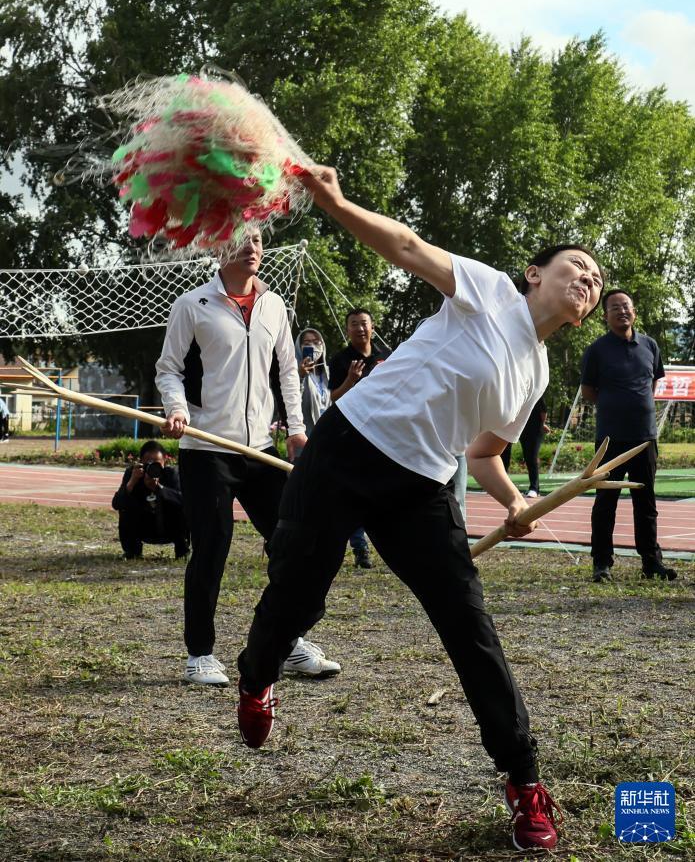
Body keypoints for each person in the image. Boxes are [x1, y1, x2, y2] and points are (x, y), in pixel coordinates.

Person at [235, 166, 605, 852]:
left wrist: (516, 501)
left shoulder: (537, 373)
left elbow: (485, 452)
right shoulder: (488, 290)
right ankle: (256, 676)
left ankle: (522, 781)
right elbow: (405, 246)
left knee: (470, 629)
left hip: (421, 488)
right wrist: (336, 201)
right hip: (347, 448)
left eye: (593, 277)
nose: (586, 278)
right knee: (295, 596)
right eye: (574, 265)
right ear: (533, 273)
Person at [156, 228, 341, 686]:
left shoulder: (275, 306)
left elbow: (288, 374)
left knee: (293, 544)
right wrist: (177, 410)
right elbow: (169, 370)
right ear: (221, 248)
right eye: (242, 240)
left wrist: (296, 430)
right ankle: (200, 654)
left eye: (258, 240)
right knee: (212, 549)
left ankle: (290, 643)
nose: (253, 248)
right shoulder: (192, 306)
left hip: (259, 449)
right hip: (204, 450)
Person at [581, 289, 677, 583]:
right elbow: (589, 392)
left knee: (645, 502)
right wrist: (616, 408)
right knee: (605, 502)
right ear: (605, 316)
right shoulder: (596, 350)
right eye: (615, 308)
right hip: (610, 439)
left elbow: (653, 383)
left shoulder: (650, 345)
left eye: (626, 306)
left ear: (634, 311)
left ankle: (651, 563)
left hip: (645, 438)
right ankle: (602, 564)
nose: (622, 311)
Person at [328, 309, 392, 568]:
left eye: (364, 323)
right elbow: (334, 398)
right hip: (353, 432)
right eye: (354, 325)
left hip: (385, 433)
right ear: (347, 330)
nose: (360, 328)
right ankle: (360, 548)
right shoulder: (341, 360)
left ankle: (391, 547)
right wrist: (351, 380)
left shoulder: (386, 356)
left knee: (383, 492)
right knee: (353, 492)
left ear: (372, 327)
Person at [111, 440, 189, 559]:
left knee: (183, 509)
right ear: (141, 462)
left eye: (157, 464)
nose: (153, 468)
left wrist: (160, 489)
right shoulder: (133, 474)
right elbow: (117, 504)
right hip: (143, 526)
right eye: (149, 464)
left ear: (165, 462)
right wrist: (131, 483)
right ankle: (132, 551)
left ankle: (182, 550)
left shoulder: (172, 474)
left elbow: (185, 502)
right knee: (126, 508)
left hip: (169, 526)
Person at [500, 396, 550, 497]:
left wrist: (542, 424)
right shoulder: (512, 391)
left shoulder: (535, 389)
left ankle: (534, 488)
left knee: (531, 457)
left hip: (532, 427)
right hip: (512, 425)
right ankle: (500, 486)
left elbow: (543, 411)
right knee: (503, 453)